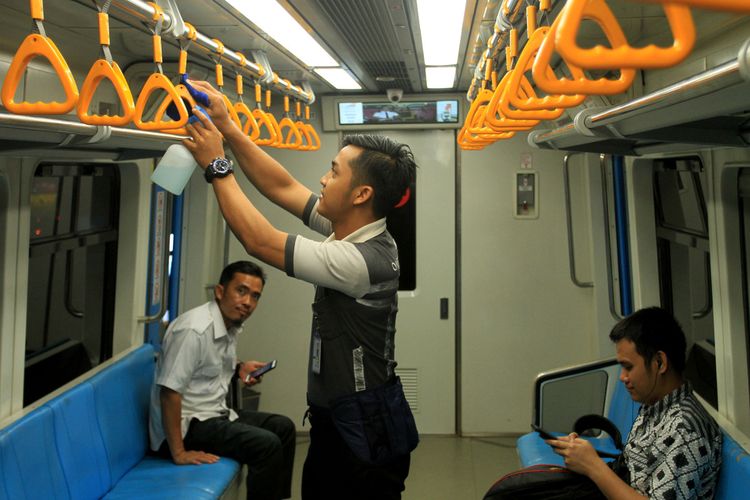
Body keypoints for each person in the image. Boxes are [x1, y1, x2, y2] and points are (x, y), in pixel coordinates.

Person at [180, 79, 419, 500]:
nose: (323, 180)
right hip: (339, 421)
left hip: (361, 428)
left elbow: (261, 241)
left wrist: (217, 165)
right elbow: (283, 188)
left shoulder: (361, 260)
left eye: (334, 172)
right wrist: (229, 128)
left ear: (361, 194)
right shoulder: (350, 229)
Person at [148, 260, 296, 500]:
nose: (248, 302)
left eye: (255, 296)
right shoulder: (193, 330)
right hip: (185, 426)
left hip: (213, 413)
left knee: (283, 428)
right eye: (241, 291)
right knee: (266, 445)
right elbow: (169, 392)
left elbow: (207, 365)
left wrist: (239, 368)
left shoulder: (229, 325)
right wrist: (179, 452)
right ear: (220, 291)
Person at [548, 307, 722, 499]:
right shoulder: (656, 405)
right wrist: (582, 458)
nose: (623, 377)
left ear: (659, 363)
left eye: (628, 367)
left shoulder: (685, 430)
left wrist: (593, 467)